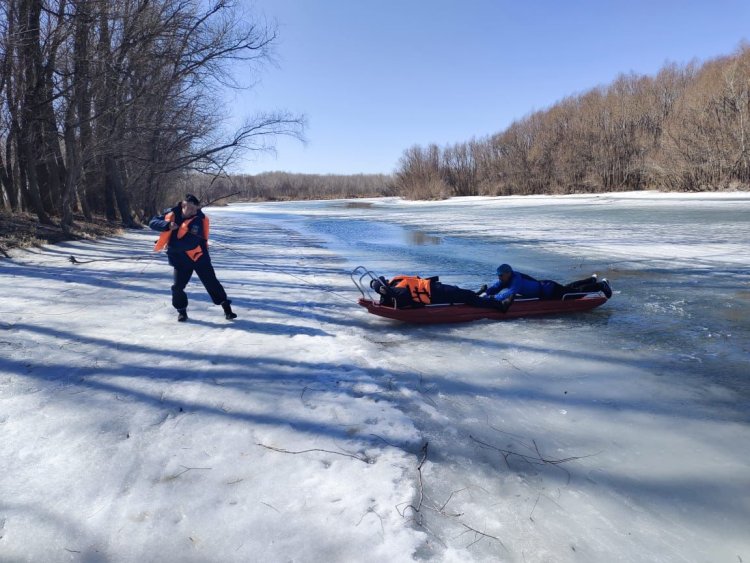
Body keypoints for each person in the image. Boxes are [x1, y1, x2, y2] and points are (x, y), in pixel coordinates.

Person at [149, 194, 237, 322]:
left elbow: (190, 243)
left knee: (212, 283)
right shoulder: (171, 214)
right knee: (177, 287)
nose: (192, 211)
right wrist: (167, 225)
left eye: (195, 209)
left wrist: (170, 245)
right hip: (181, 260)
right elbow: (152, 222)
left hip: (199, 258)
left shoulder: (198, 220)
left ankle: (227, 308)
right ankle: (182, 311)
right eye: (190, 208)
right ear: (183, 205)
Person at [370, 274, 513, 312]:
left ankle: (475, 294)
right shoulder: (395, 291)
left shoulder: (394, 285)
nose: (387, 279)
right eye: (384, 281)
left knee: (460, 292)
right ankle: (500, 306)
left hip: (433, 288)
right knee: (464, 295)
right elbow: (410, 302)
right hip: (434, 294)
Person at [478, 263, 612, 302]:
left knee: (575, 293)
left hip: (549, 290)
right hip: (546, 286)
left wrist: (492, 298)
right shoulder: (505, 279)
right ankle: (592, 280)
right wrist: (485, 293)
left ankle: (601, 285)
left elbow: (510, 293)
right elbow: (495, 288)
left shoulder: (515, 279)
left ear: (507, 273)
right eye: (498, 276)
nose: (499, 278)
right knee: (568, 289)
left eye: (501, 276)